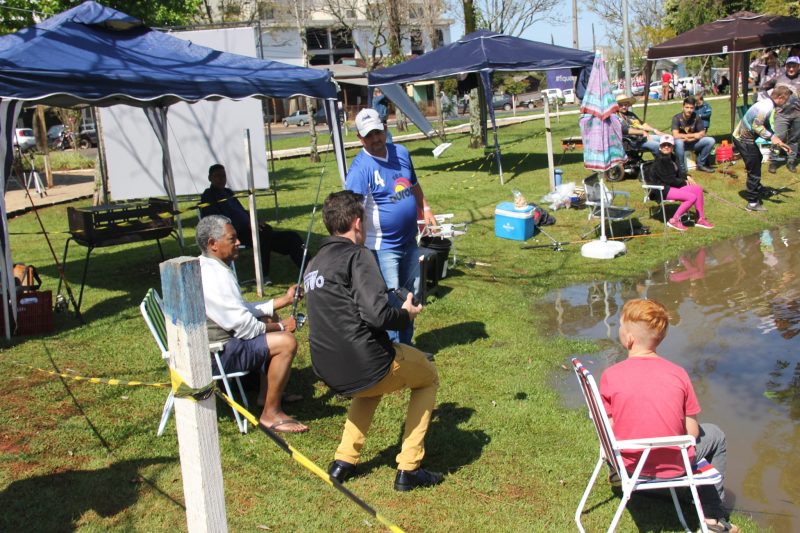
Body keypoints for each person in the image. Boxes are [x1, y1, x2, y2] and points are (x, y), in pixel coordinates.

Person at [305, 190, 442, 491]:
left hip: (328, 370)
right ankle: (409, 467)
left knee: (367, 390)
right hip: (367, 363)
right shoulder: (357, 254)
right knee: (428, 376)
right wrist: (406, 314)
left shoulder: (314, 263)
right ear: (357, 222)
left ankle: (343, 461)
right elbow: (378, 316)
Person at [600, 298, 739, 533]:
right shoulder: (678, 374)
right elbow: (692, 433)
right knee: (714, 434)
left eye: (621, 326)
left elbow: (608, 425)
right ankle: (713, 517)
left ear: (630, 338)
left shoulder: (611, 375)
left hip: (627, 463)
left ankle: (617, 476)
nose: (620, 330)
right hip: (673, 466)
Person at [196, 215, 308, 433]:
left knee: (269, 318)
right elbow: (245, 328)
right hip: (214, 356)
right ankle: (270, 414)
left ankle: (265, 395)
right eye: (232, 238)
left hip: (212, 348)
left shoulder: (210, 266)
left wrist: (283, 301)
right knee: (286, 343)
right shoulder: (216, 276)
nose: (238, 242)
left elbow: (240, 309)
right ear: (213, 244)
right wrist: (283, 327)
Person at [345, 108, 437, 344]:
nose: (375, 139)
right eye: (368, 135)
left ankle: (407, 347)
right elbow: (353, 213)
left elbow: (413, 185)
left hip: (410, 240)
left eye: (378, 132)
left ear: (385, 129)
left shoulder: (401, 152)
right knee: (393, 302)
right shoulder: (359, 170)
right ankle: (395, 353)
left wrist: (425, 209)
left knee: (412, 296)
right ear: (359, 138)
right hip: (382, 248)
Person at [200, 164, 305, 284]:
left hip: (251, 229)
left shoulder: (228, 192)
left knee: (291, 236)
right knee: (264, 234)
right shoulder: (208, 196)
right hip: (235, 233)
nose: (221, 179)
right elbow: (216, 221)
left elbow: (241, 211)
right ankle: (262, 275)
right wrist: (246, 224)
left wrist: (254, 219)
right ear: (210, 178)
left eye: (223, 176)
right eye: (217, 176)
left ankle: (309, 270)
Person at [732, 86, 793, 212]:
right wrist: (773, 138)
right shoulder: (767, 107)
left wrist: (777, 140)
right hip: (743, 140)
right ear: (780, 97)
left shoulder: (767, 103)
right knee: (754, 170)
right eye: (785, 100)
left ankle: (757, 188)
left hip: (743, 138)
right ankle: (752, 202)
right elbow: (757, 126)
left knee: (758, 158)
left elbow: (763, 125)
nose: (785, 103)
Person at [647, 134, 713, 231]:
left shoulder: (672, 157)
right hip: (661, 189)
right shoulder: (660, 161)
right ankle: (674, 220)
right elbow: (668, 179)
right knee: (691, 197)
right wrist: (684, 182)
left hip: (672, 187)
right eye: (663, 145)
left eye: (668, 145)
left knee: (698, 189)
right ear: (660, 147)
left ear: (672, 147)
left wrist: (687, 176)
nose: (666, 147)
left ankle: (700, 219)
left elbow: (679, 172)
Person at [761, 56, 800, 174]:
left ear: (798, 67)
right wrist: (771, 101)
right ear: (786, 66)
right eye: (789, 65)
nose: (791, 68)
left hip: (798, 115)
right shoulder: (778, 78)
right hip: (781, 115)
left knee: (794, 139)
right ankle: (774, 162)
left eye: (794, 66)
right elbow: (763, 87)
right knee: (778, 138)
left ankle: (791, 162)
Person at [671, 97, 716, 173]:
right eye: (687, 107)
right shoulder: (676, 118)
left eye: (691, 108)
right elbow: (675, 135)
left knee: (711, 140)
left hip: (692, 142)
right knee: (679, 142)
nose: (689, 110)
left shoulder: (696, 117)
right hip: (680, 144)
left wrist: (689, 139)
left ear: (694, 108)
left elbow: (702, 133)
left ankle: (701, 164)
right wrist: (693, 135)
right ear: (683, 107)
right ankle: (682, 169)